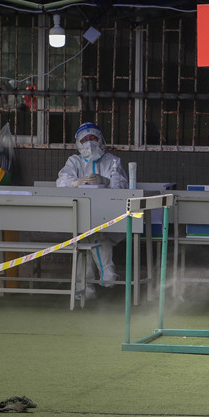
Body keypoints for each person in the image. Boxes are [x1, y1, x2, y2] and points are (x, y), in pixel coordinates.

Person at [57, 122, 128, 300]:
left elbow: (121, 184)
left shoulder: (112, 161)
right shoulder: (74, 161)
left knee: (88, 237)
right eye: (85, 139)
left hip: (110, 216)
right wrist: (75, 183)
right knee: (89, 235)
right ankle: (107, 273)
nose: (89, 142)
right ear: (78, 143)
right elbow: (62, 181)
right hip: (80, 217)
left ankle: (84, 290)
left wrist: (106, 181)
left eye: (93, 138)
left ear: (100, 139)